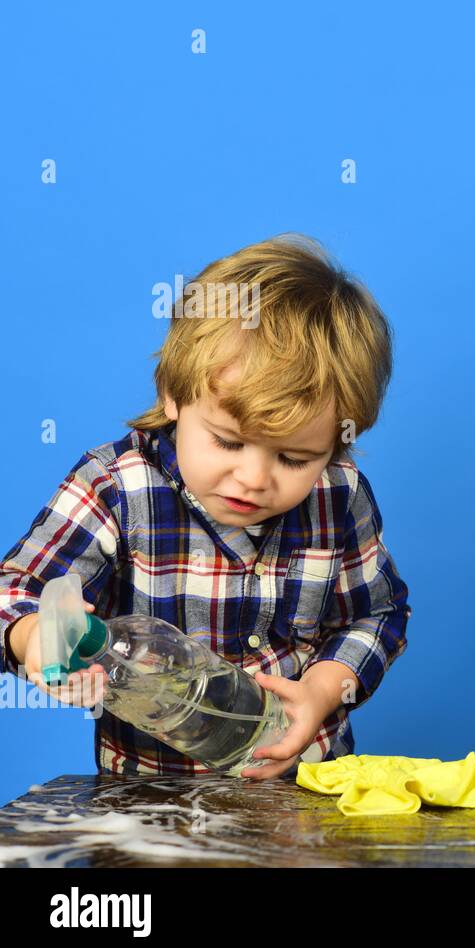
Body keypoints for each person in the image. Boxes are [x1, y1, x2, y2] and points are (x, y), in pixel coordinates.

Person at [0, 235, 410, 778]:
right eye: (229, 442)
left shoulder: (340, 493)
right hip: (152, 810)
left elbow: (376, 614)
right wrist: (35, 638)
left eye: (292, 457)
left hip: (304, 796)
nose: (254, 478)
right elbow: (15, 592)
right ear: (173, 394)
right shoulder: (116, 486)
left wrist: (323, 688)